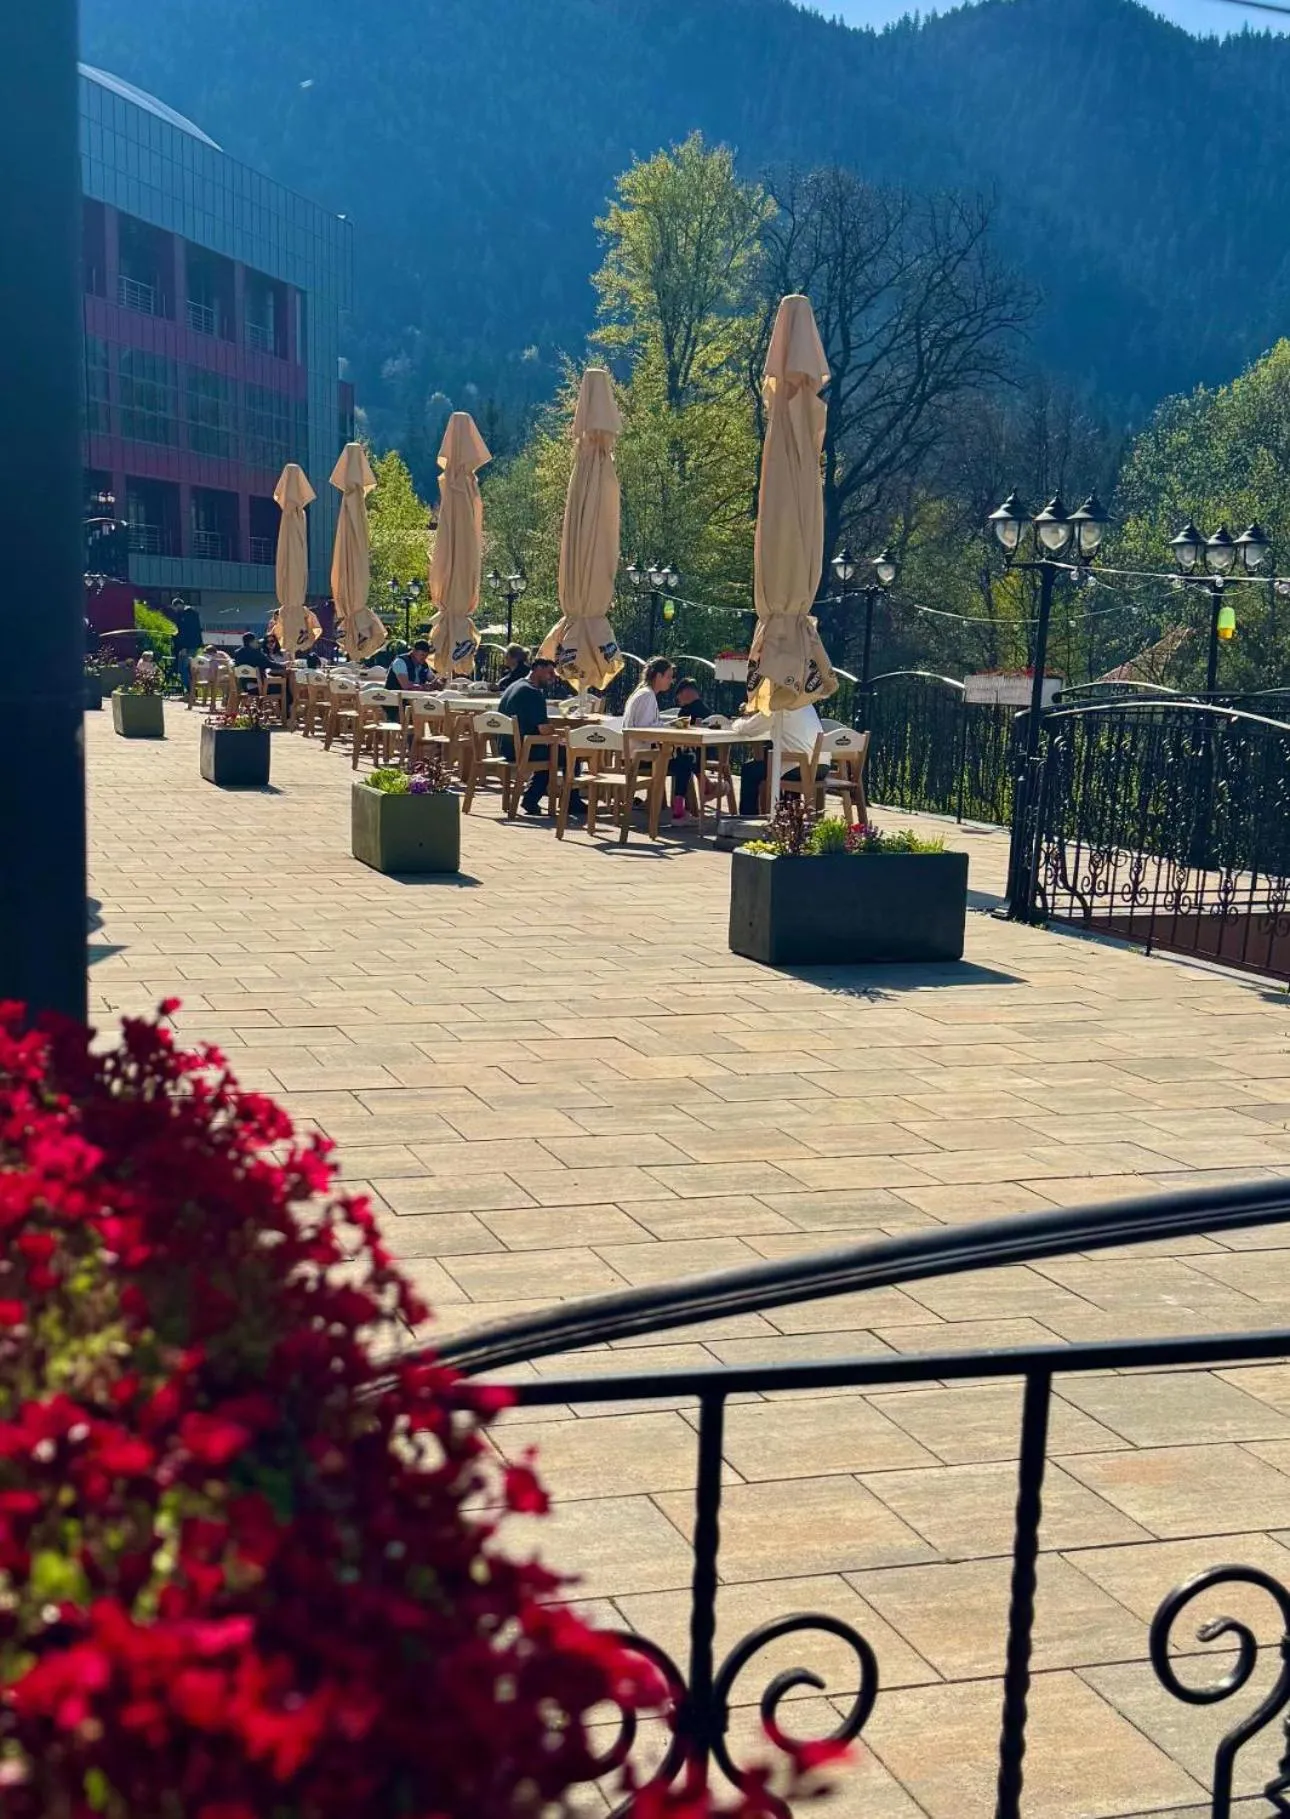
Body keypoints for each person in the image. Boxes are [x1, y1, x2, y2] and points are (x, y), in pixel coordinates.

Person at [498, 654, 583, 818]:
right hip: (523, 749)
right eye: (550, 673)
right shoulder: (533, 693)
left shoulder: (515, 686)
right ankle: (572, 801)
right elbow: (543, 729)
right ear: (537, 669)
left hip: (507, 747)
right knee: (570, 754)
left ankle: (531, 799)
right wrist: (562, 736)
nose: (552, 678)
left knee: (552, 751)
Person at [623, 657, 697, 823]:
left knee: (682, 757)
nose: (671, 681)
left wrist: (667, 726)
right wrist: (670, 731)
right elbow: (646, 731)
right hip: (643, 757)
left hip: (634, 754)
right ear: (658, 676)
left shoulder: (640, 693)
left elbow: (646, 725)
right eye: (669, 676)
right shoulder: (647, 696)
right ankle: (678, 812)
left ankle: (674, 807)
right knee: (686, 759)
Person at [733, 701, 829, 816]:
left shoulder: (778, 705)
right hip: (822, 767)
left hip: (799, 768)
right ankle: (790, 814)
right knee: (780, 763)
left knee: (750, 770)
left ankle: (748, 819)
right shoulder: (807, 704)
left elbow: (748, 729)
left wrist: (738, 721)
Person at [172, 597, 203, 694]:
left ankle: (190, 691)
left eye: (176, 607)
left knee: (183, 668)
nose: (176, 610)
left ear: (178, 605)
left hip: (187, 646)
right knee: (190, 668)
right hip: (194, 645)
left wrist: (183, 646)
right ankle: (193, 690)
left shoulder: (185, 615)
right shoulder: (193, 614)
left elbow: (185, 632)